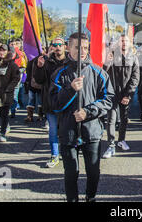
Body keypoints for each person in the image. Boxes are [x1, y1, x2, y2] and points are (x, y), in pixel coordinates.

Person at [49, 32, 114, 202]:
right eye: (77, 47)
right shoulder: (58, 74)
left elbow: (108, 99)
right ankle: (72, 199)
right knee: (71, 172)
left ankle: (90, 197)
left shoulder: (98, 72)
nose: (82, 51)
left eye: (85, 47)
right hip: (68, 131)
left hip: (91, 131)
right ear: (68, 47)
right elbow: (54, 104)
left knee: (93, 171)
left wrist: (88, 111)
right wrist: (70, 88)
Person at [102, 34, 140, 158]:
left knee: (124, 119)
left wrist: (128, 95)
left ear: (130, 43)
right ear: (119, 43)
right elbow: (104, 71)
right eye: (122, 41)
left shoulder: (134, 58)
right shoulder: (112, 55)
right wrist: (108, 61)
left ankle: (121, 140)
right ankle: (111, 145)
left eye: (126, 41)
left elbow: (135, 78)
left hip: (125, 94)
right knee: (111, 119)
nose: (124, 43)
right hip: (112, 93)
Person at [34, 37, 68, 168]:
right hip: (51, 102)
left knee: (66, 130)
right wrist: (39, 67)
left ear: (65, 46)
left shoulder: (70, 61)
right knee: (53, 130)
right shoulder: (46, 61)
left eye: (60, 44)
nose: (58, 47)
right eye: (55, 45)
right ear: (52, 47)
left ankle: (68, 152)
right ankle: (54, 155)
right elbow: (39, 80)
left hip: (67, 102)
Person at [0, 44, 21, 142]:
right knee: (0, 112)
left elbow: (16, 78)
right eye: (0, 50)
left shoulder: (12, 65)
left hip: (6, 94)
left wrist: (9, 88)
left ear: (7, 52)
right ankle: (6, 127)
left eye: (4, 50)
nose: (1, 52)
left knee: (5, 113)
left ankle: (3, 133)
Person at [24, 56, 43, 123]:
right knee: (39, 100)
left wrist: (27, 81)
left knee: (31, 99)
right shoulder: (42, 59)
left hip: (34, 83)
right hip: (38, 83)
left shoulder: (31, 60)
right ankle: (40, 116)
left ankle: (30, 116)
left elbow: (28, 71)